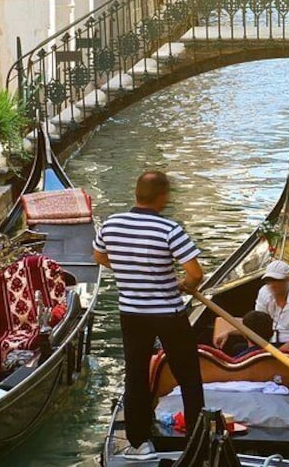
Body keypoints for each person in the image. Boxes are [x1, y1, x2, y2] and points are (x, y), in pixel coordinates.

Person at [93, 171, 205, 461]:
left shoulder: (111, 224)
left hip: (131, 312)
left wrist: (130, 271)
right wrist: (186, 285)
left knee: (136, 375)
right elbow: (195, 273)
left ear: (136, 193)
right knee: (189, 375)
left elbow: (100, 257)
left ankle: (139, 442)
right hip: (168, 312)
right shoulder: (169, 229)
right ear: (163, 196)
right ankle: (196, 438)